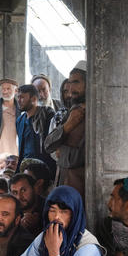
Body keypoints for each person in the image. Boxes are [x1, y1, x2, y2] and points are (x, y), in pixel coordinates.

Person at [45, 62, 86, 195]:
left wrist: (62, 149)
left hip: (78, 188)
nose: (70, 87)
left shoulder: (93, 115)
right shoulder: (72, 112)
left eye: (76, 82)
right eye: (69, 82)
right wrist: (68, 126)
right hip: (63, 183)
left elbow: (76, 159)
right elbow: (48, 144)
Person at [16, 84, 56, 176]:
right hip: (25, 168)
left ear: (33, 99)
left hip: (44, 168)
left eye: (22, 97)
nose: (19, 100)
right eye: (18, 97)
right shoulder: (20, 121)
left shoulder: (47, 116)